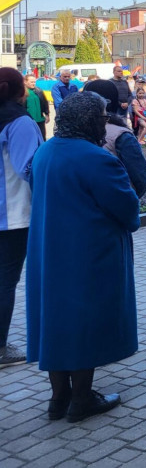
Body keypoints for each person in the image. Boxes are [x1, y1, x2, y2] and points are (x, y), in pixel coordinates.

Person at [26, 92, 139, 422]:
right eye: (102, 117)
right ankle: (82, 399)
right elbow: (128, 210)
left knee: (56, 320)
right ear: (90, 120)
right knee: (83, 322)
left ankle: (59, 398)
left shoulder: (45, 151)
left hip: (48, 251)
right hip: (89, 253)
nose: (105, 123)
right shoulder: (97, 158)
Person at [0, 69, 43, 369]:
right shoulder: (20, 122)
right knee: (6, 281)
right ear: (19, 91)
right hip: (13, 215)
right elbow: (29, 169)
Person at [82, 80, 146, 198]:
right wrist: (128, 200)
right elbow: (141, 178)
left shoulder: (71, 132)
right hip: (115, 200)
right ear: (113, 101)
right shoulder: (120, 134)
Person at [24, 74, 50, 141]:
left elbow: (44, 102)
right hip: (28, 121)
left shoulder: (39, 90)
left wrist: (47, 114)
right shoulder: (22, 92)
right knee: (30, 139)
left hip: (40, 120)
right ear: (25, 82)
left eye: (34, 82)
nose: (33, 83)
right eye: (31, 82)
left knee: (42, 138)